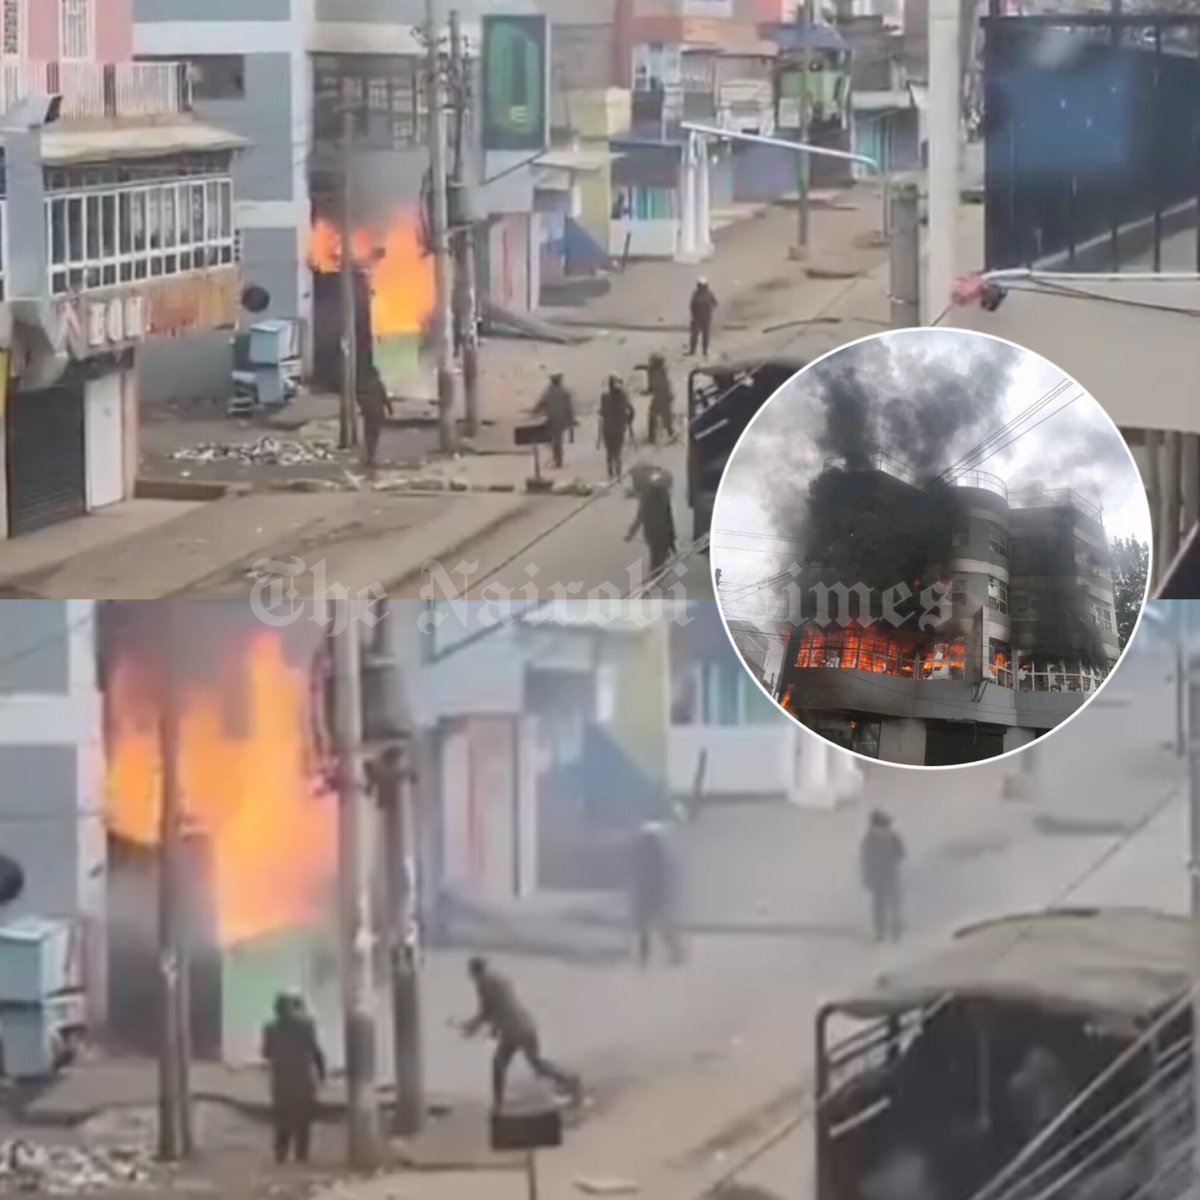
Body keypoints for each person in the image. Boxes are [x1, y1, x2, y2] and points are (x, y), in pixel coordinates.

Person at [459, 957, 583, 1109]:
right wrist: (490, 1029)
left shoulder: (483, 984)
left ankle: (498, 1103)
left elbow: (486, 1012)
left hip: (513, 1032)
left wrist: (470, 1027)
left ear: (473, 972)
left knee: (499, 1065)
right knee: (536, 1063)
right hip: (527, 1026)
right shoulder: (501, 980)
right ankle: (569, 1080)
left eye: (470, 972)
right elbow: (502, 1008)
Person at [261, 991, 326, 1164]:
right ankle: (301, 1155)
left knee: (282, 1120)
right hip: (303, 1079)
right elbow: (316, 1052)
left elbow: (266, 1053)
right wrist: (322, 1075)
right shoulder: (307, 1026)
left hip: (282, 1080)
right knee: (303, 1119)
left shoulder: (270, 1028)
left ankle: (281, 1155)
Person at [629, 821, 684, 967]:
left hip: (650, 894)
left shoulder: (647, 854)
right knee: (653, 927)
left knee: (651, 927)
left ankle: (650, 956)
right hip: (652, 894)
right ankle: (669, 953)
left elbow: (642, 875)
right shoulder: (658, 854)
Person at [859, 810, 905, 943]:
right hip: (891, 874)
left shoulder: (868, 837)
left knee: (879, 905)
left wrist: (866, 878)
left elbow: (865, 859)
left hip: (876, 876)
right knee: (894, 904)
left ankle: (880, 932)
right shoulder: (892, 835)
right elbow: (902, 853)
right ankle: (896, 932)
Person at [625, 471, 677, 575]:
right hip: (661, 531)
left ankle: (655, 576)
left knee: (656, 556)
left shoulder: (647, 497)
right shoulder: (663, 496)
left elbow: (640, 517)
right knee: (659, 556)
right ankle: (657, 576)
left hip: (652, 531)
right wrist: (672, 535)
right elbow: (668, 516)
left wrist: (631, 533)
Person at [533, 372, 576, 469]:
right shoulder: (565, 392)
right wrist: (571, 420)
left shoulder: (548, 392)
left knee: (554, 440)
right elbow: (569, 408)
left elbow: (541, 404)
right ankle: (558, 459)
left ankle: (557, 459)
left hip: (551, 419)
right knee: (558, 440)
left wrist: (533, 412)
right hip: (561, 420)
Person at [598, 375, 636, 480]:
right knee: (618, 451)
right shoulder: (624, 397)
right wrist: (628, 420)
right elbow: (632, 411)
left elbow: (602, 412)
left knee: (610, 452)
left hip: (608, 429)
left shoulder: (604, 397)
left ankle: (610, 473)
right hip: (619, 428)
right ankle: (618, 473)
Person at [356, 363, 393, 469]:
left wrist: (362, 407)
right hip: (377, 413)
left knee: (368, 434)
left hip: (368, 413)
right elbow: (385, 398)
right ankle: (372, 455)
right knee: (375, 435)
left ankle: (369, 454)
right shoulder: (379, 384)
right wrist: (390, 410)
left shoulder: (365, 385)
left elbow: (360, 397)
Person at [644, 354, 676, 445]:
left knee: (655, 415)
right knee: (665, 417)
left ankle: (652, 437)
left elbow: (653, 386)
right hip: (665, 396)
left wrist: (648, 391)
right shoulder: (662, 371)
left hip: (661, 398)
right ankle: (669, 433)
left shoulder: (655, 373)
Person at [688, 278, 717, 357]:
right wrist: (694, 315)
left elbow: (715, 303)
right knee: (694, 334)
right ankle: (692, 350)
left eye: (703, 286)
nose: (702, 288)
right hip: (697, 318)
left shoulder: (709, 294)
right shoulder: (696, 294)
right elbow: (692, 306)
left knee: (705, 335)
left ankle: (705, 350)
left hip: (706, 318)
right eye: (700, 286)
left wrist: (710, 310)